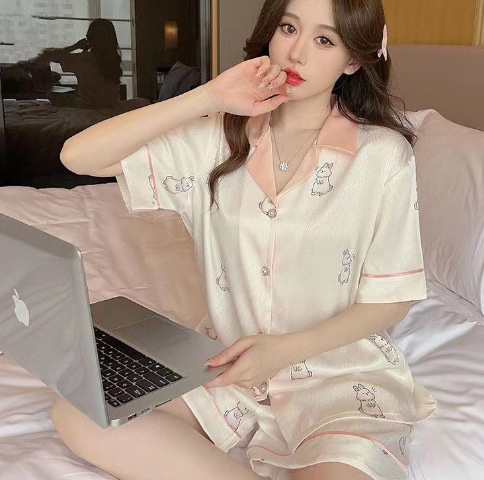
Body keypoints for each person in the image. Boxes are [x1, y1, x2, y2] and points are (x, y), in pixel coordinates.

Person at [51, 0, 437, 479]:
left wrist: (283, 350)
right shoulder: (217, 139)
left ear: (353, 60)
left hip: (338, 376)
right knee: (79, 411)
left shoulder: (383, 157)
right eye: (288, 29)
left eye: (324, 40)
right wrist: (208, 95)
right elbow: (78, 157)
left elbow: (392, 300)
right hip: (228, 365)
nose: (296, 53)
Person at [37, 18, 122, 109]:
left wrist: (75, 46)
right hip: (111, 105)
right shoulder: (114, 59)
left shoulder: (83, 59)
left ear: (90, 38)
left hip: (88, 106)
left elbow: (48, 54)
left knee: (51, 95)